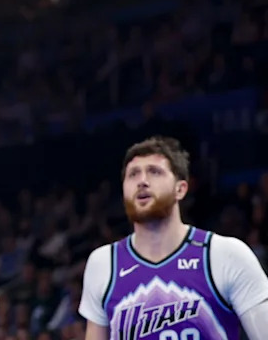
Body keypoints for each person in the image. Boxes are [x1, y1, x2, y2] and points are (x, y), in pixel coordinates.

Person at [79, 136, 268, 340]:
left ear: (181, 189)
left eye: (154, 172)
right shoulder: (103, 263)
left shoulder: (225, 255)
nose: (142, 181)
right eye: (133, 174)